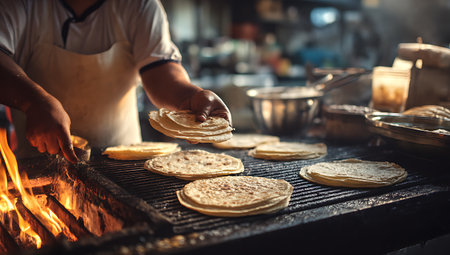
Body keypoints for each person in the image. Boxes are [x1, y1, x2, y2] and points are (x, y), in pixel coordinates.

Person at [0, 0, 231, 163]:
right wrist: (34, 101)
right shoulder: (21, 5)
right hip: (39, 166)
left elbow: (159, 71)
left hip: (124, 160)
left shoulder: (139, 5)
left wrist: (189, 96)